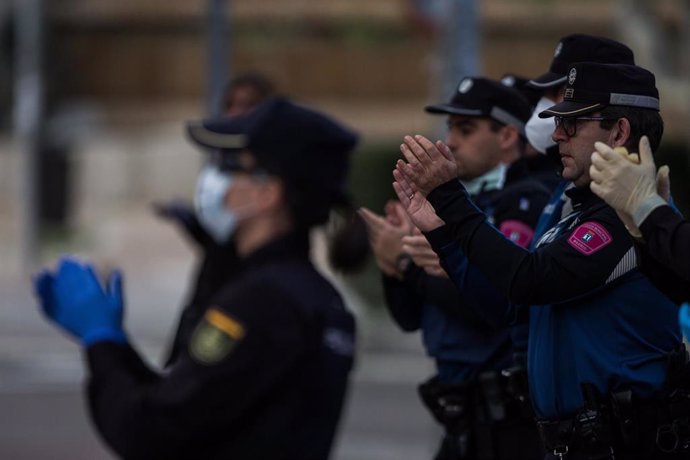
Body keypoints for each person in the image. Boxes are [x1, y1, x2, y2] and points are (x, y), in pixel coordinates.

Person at [33, 97, 363, 460]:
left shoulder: (262, 302)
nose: (214, 178)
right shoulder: (313, 295)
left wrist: (100, 339)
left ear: (268, 194)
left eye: (230, 165)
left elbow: (152, 431)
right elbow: (195, 404)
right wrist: (115, 347)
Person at [393, 62, 687, 459]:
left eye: (574, 123)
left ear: (619, 131)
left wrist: (451, 200)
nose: (558, 133)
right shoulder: (581, 213)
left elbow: (531, 279)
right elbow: (509, 304)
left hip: (623, 442)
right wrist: (443, 235)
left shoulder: (625, 215)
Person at [360, 77, 548, 460]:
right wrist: (391, 261)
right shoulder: (449, 206)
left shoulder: (524, 202)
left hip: (507, 416)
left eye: (466, 128)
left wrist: (408, 266)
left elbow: (492, 308)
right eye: (450, 128)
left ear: (508, 136)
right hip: (459, 411)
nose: (452, 140)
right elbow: (409, 318)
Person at [155, 72, 277, 365]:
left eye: (247, 105)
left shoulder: (273, 172)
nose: (236, 113)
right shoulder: (220, 165)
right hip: (209, 298)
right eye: (230, 105)